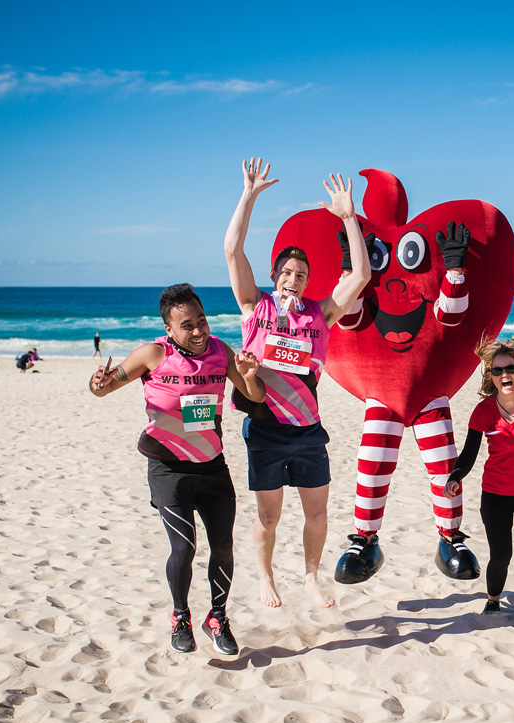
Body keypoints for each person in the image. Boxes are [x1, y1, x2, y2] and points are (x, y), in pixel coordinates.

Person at [223, 158, 372, 608]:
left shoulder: (319, 315)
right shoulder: (256, 309)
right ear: (274, 277)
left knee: (318, 513)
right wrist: (248, 195)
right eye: (286, 273)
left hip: (308, 431)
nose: (293, 279)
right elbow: (232, 251)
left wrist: (349, 217)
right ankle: (267, 577)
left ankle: (310, 576)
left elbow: (361, 277)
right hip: (265, 431)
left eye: (301, 275)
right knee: (268, 519)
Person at [89, 283, 265, 655]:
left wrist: (248, 375)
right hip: (168, 468)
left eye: (202, 320)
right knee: (183, 549)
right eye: (188, 325)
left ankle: (217, 617)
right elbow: (104, 388)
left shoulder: (220, 351)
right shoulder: (153, 354)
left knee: (223, 547)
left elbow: (255, 396)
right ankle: (181, 616)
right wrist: (98, 383)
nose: (199, 330)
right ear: (169, 329)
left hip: (212, 466)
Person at [444, 340, 514, 615]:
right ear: (491, 377)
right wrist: (456, 475)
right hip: (496, 496)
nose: (504, 374)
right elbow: (470, 452)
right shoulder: (483, 411)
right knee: (501, 555)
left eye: (510, 368)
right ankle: (493, 602)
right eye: (498, 371)